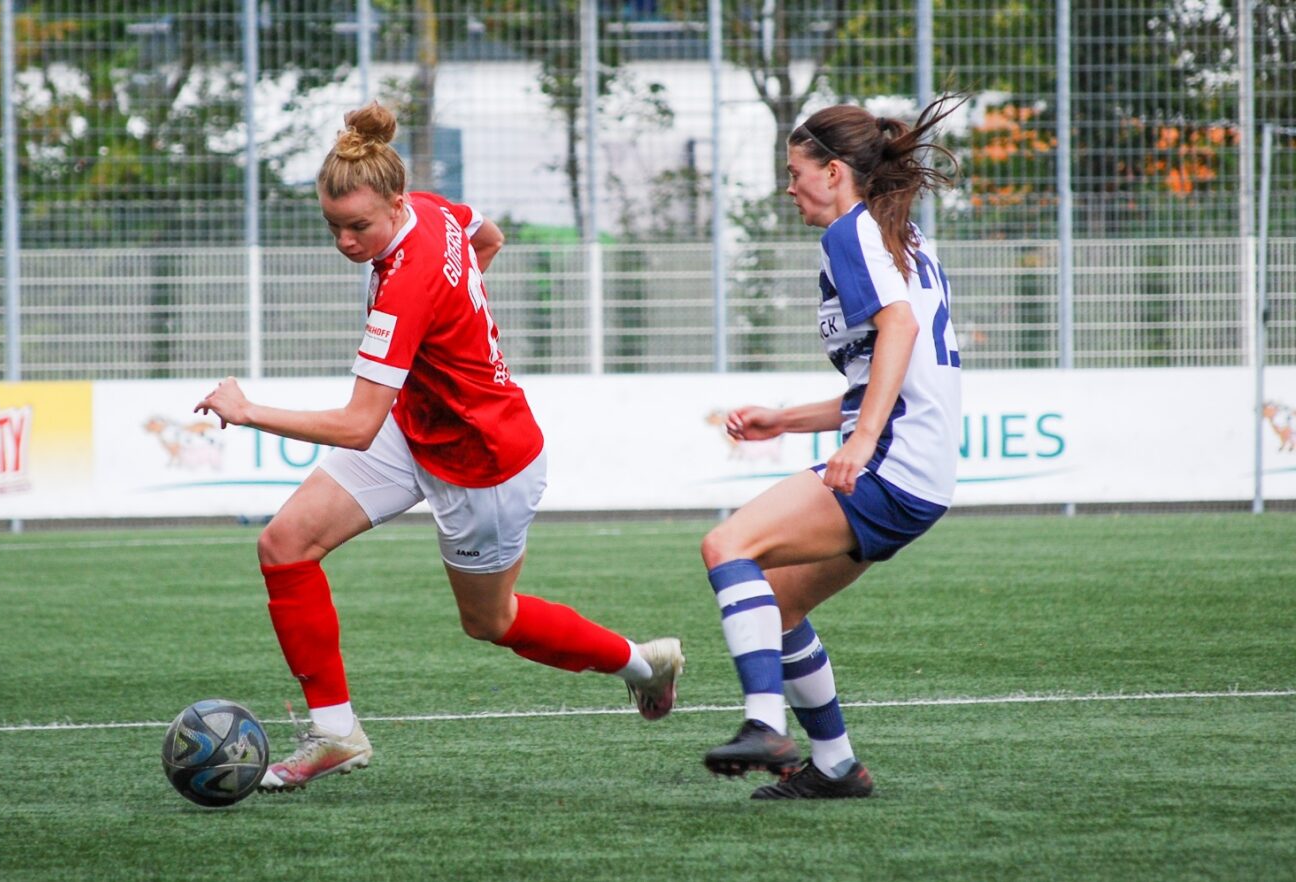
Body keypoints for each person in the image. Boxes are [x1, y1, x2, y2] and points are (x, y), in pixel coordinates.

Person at [194, 102, 684, 791]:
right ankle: (336, 733)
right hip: (416, 425)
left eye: (359, 226)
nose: (345, 242)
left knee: (491, 621)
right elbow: (489, 235)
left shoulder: (406, 283)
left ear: (393, 206)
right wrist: (460, 322)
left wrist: (247, 411)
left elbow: (358, 424)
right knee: (284, 545)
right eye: (333, 226)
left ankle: (643, 662)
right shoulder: (426, 206)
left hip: (484, 463)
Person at [699, 96, 965, 800]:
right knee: (778, 603)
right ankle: (837, 765)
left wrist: (863, 442)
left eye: (795, 172)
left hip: (892, 463)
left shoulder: (852, 234)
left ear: (835, 171)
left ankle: (763, 723)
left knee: (729, 547)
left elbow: (899, 332)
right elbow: (886, 369)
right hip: (921, 474)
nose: (789, 187)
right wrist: (785, 422)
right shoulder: (899, 236)